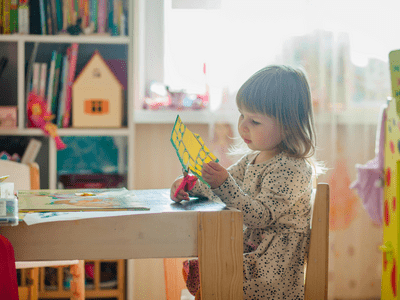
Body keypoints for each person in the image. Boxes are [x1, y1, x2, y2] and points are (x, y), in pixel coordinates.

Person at [171, 65, 321, 299]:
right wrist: (191, 186)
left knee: (210, 271)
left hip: (271, 275)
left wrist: (222, 184)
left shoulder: (293, 168)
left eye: (255, 121)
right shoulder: (252, 158)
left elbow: (259, 216)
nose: (242, 126)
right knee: (206, 266)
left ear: (289, 124)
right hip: (252, 260)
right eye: (242, 115)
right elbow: (222, 187)